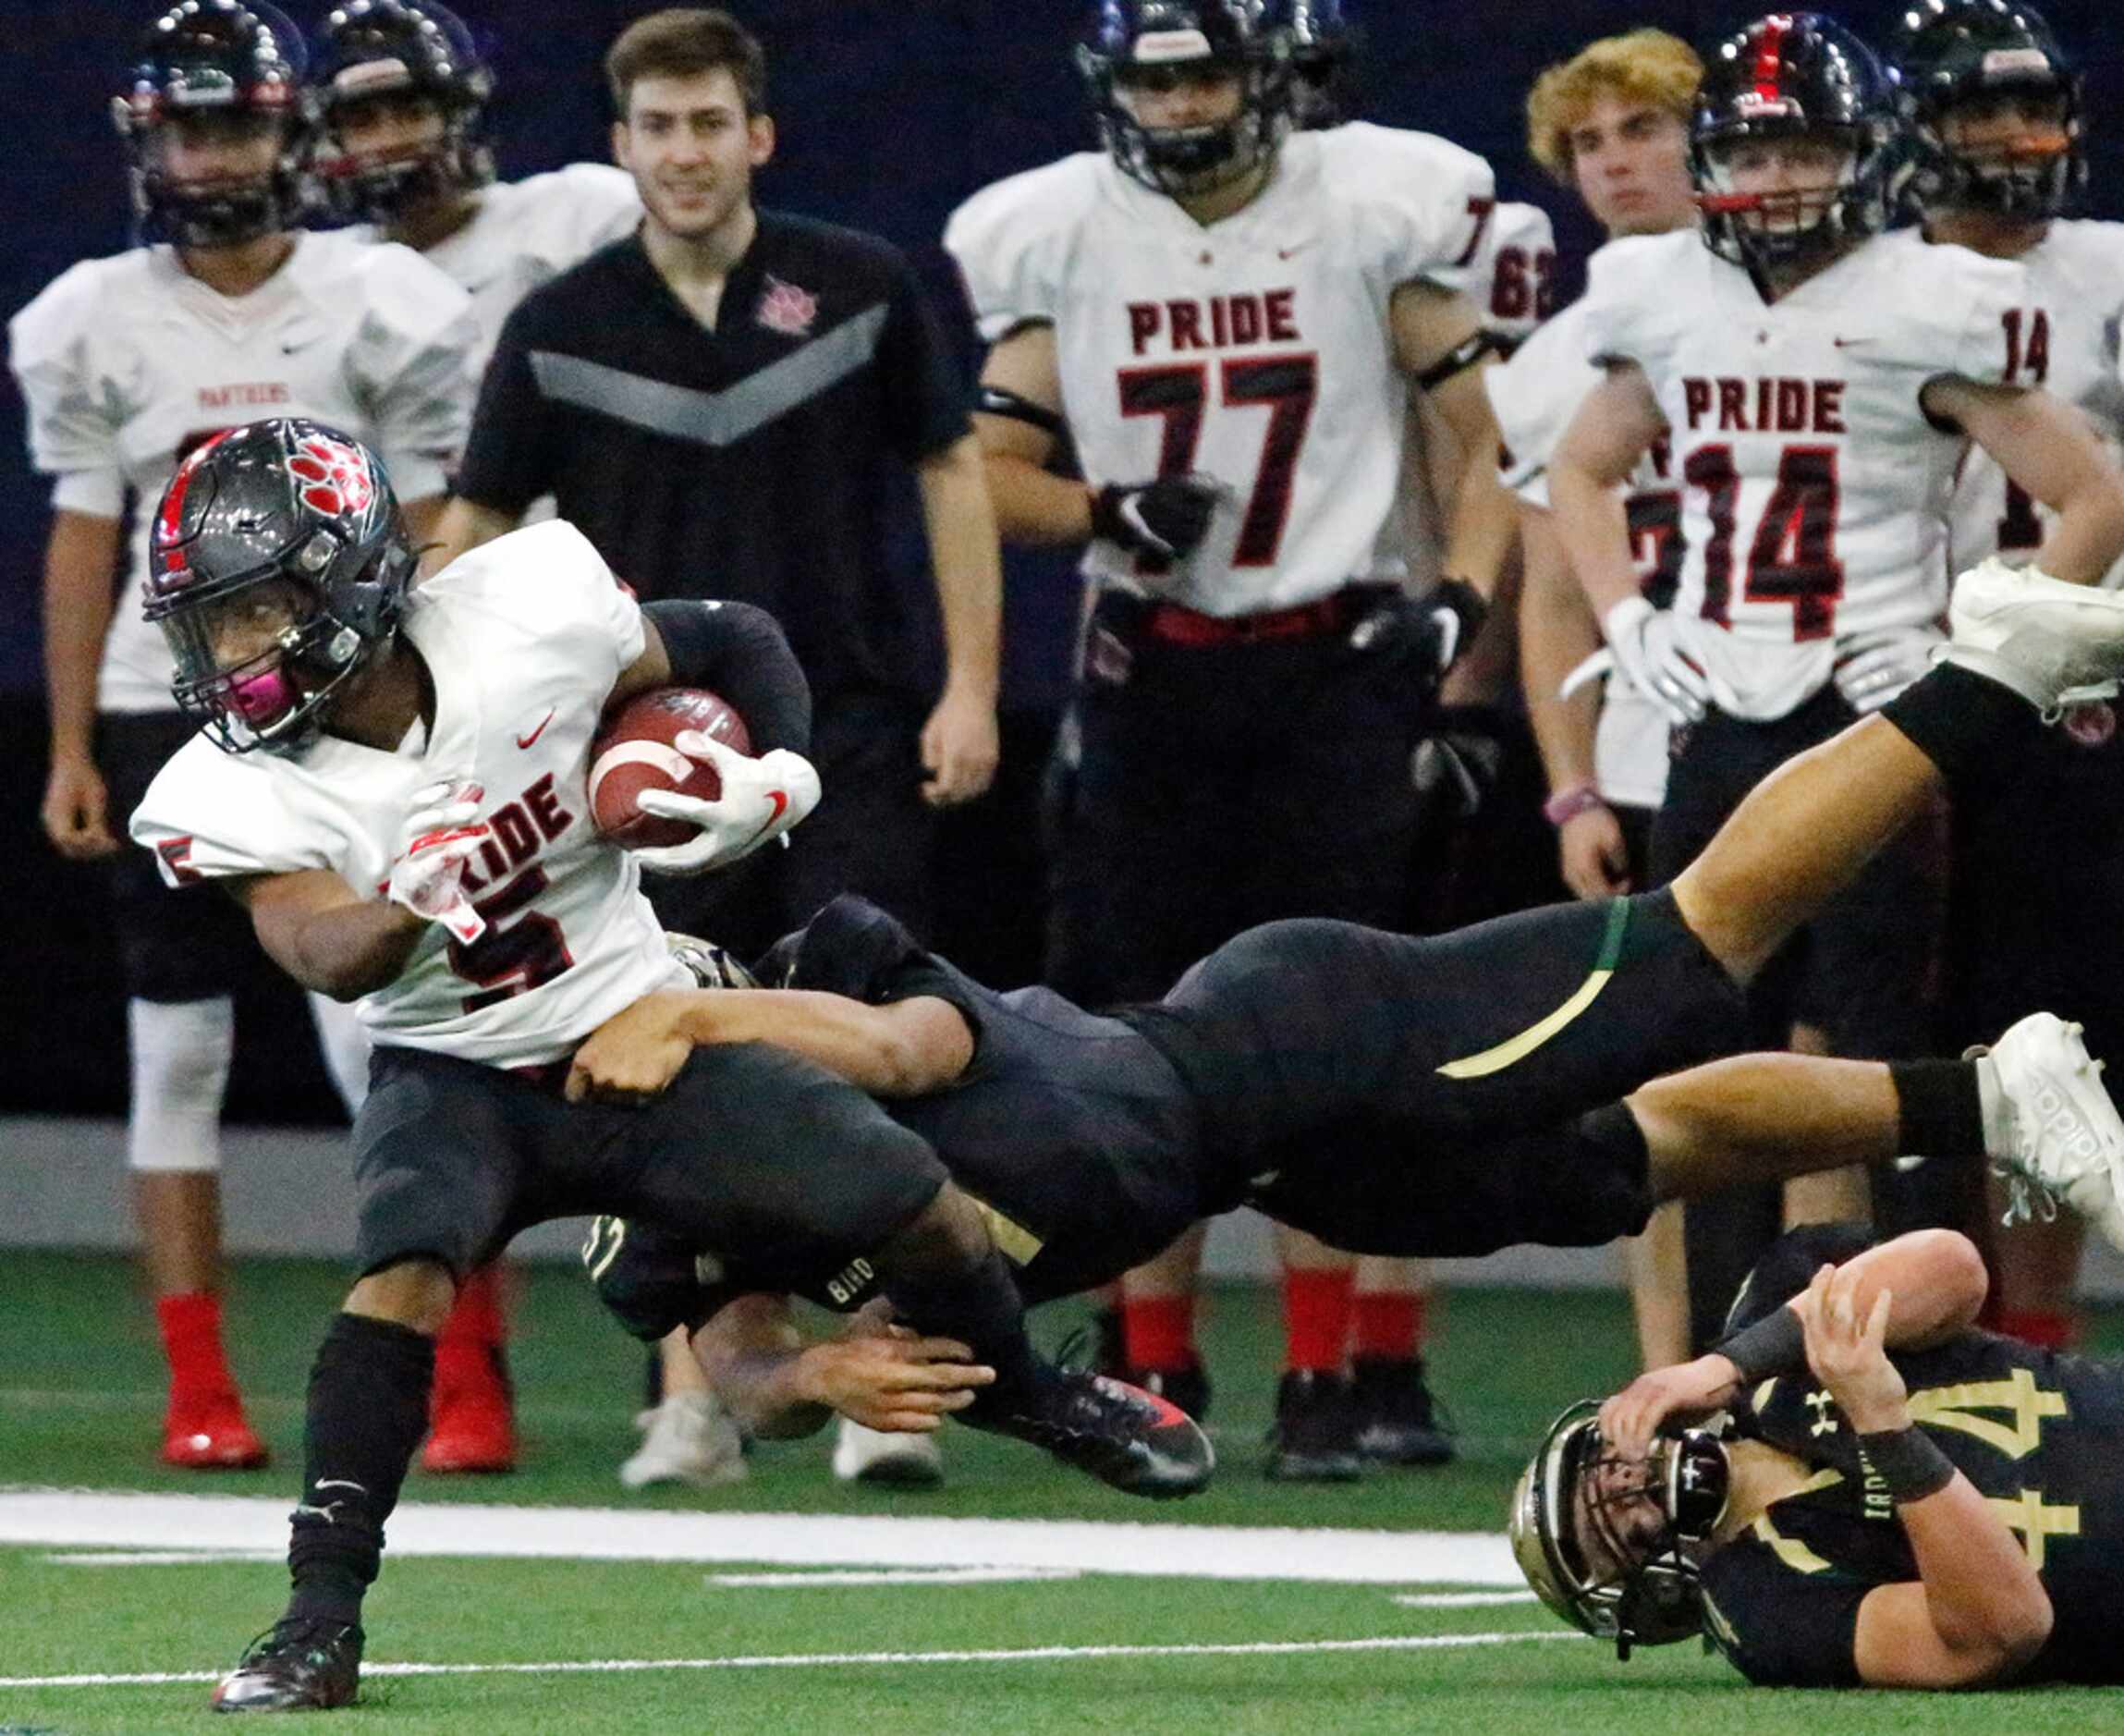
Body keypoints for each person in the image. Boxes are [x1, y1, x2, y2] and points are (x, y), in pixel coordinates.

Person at [127, 419, 1202, 1713]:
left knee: (912, 1197)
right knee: (401, 1275)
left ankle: (1028, 1390)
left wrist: (776, 772)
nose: (232, 653)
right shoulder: (227, 789)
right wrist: (408, 897)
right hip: (457, 1067)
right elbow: (320, 948)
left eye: (256, 611)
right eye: (214, 623)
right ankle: (316, 1616)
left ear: (349, 575)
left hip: (636, 1015)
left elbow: (735, 638)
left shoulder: (525, 600)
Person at [580, 569, 2124, 1460]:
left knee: (1687, 940)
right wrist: (807, 1378)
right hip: (1275, 1159)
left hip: (1294, 1032)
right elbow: (731, 1351)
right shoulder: (701, 1204)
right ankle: (1987, 1098)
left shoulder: (842, 991)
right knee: (1614, 1164)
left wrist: (704, 1029)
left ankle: (1989, 664)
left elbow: (901, 1054)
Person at [945, 0, 1514, 1482]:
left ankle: (1326, 1366)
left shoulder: (1364, 208)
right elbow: (985, 469)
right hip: (1152, 676)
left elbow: (1481, 443)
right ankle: (1154, 1361)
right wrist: (1095, 512)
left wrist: (1454, 601)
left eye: (1203, 70)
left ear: (1263, 81)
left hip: (1330, 660)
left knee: (1336, 1031)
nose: (1183, 102)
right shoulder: (1059, 233)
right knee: (1131, 1031)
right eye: (1157, 74)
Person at [1546, 10, 2124, 1356]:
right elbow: (1581, 466)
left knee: (1867, 1068)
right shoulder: (1661, 293)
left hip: (1871, 714)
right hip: (1713, 712)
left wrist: (1980, 644)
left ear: (1860, 154)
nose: (1777, 183)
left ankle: (1886, 1377)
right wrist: (1630, 614)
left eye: (1803, 148)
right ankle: (1707, 1372)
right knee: (1694, 1055)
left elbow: (2087, 488)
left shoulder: (1924, 296)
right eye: (1749, 154)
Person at [7, 0, 477, 1473]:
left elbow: (438, 517)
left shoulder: (375, 295)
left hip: (340, 716)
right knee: (179, 1049)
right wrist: (70, 739)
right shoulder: (94, 315)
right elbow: (86, 533)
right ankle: (197, 1381)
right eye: (195, 126)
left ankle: (463, 1373)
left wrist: (420, 699)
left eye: (242, 124)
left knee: (385, 1031)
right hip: (172, 716)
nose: (218, 155)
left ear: (293, 133)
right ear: (153, 140)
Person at [302, 0, 645, 1476]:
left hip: (571, 659)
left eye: (403, 108)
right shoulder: (329, 284)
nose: (384, 143)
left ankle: (704, 1354)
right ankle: (467, 1373)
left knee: (661, 993)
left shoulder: (577, 217)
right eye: (357, 116)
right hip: (398, 690)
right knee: (400, 1031)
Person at [1889, 0, 2124, 1354]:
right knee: (1944, 1047)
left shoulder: (2104, 270)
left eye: (2027, 109)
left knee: (2061, 1033)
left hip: (2083, 700)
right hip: (1894, 683)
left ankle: (2033, 1351)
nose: (2008, 140)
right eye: (1975, 112)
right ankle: (1950, 1343)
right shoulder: (1868, 285)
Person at [1512, 1217, 2124, 1688]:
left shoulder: (1764, 1331)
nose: (1620, 1487)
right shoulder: (1760, 1607)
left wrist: (1729, 1363)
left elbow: (1953, 1267)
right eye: (1606, 1527)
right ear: (1649, 1593)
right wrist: (1885, 1429)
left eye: (1600, 1467)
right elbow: (2003, 1629)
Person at [1491, 28, 1704, 1373]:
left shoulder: (1824, 299)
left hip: (1825, 711)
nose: (1616, 161)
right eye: (1588, 141)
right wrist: (1568, 784)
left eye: (1643, 128)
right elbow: (1552, 595)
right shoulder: (1553, 358)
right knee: (1663, 1087)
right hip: (1645, 747)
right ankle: (1667, 1374)